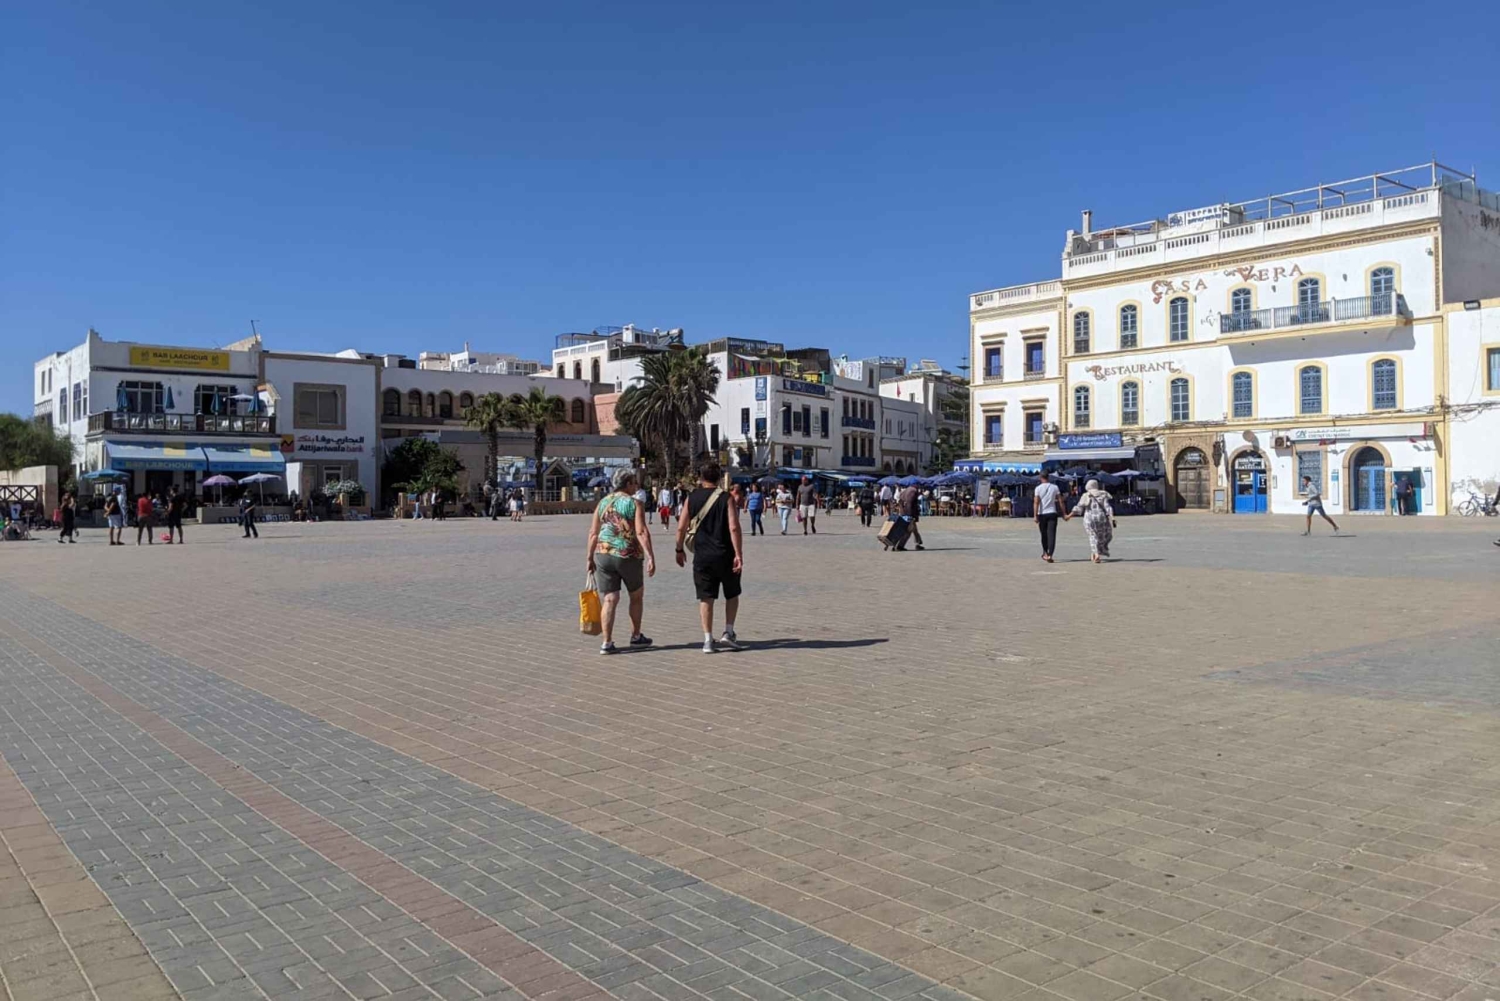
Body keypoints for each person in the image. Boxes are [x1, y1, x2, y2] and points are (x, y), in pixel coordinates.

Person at [585, 468, 655, 654]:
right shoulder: (634, 503)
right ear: (627, 484)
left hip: (603, 554)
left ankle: (606, 642)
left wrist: (589, 558)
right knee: (636, 595)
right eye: (634, 482)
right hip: (627, 554)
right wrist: (650, 556)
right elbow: (641, 532)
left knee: (610, 598)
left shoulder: (603, 503)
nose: (636, 486)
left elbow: (593, 533)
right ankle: (636, 636)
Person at [675, 460, 743, 654]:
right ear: (720, 478)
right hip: (726, 554)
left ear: (700, 478)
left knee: (706, 597)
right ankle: (728, 633)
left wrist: (678, 550)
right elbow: (734, 527)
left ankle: (707, 640)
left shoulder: (692, 497)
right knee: (732, 593)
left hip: (702, 556)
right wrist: (738, 554)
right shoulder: (726, 498)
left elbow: (681, 527)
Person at [1065, 479, 1115, 563]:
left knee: (1092, 536)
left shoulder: (1086, 495)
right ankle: (1096, 552)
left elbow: (1078, 508)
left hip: (1089, 519)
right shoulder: (1103, 494)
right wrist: (1112, 517)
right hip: (1102, 519)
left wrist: (1069, 516)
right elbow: (1108, 507)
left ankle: (1096, 554)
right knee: (1101, 536)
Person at [1033, 471, 1062, 563]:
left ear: (1040, 478)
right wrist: (1064, 512)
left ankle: (1045, 552)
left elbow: (1036, 502)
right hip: (1052, 512)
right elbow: (1060, 501)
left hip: (1042, 514)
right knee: (1052, 534)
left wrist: (1035, 515)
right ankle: (1050, 554)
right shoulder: (1055, 487)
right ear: (1048, 477)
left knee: (1044, 534)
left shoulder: (1038, 488)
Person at [894, 481, 925, 551]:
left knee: (914, 530)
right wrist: (910, 515)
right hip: (909, 514)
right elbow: (909, 503)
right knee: (908, 531)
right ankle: (899, 546)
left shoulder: (905, 491)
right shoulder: (913, 491)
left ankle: (918, 543)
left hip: (903, 513)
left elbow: (900, 502)